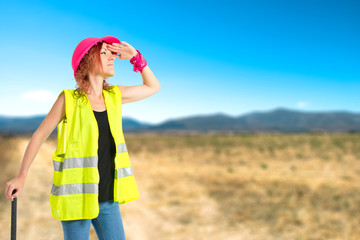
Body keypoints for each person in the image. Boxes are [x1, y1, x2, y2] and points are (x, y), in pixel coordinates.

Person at [4, 36, 161, 240]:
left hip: (107, 198)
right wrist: (21, 176)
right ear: (85, 62)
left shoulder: (114, 95)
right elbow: (39, 136)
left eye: (110, 53)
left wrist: (136, 58)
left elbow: (153, 87)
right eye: (103, 53)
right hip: (76, 197)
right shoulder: (68, 99)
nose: (112, 57)